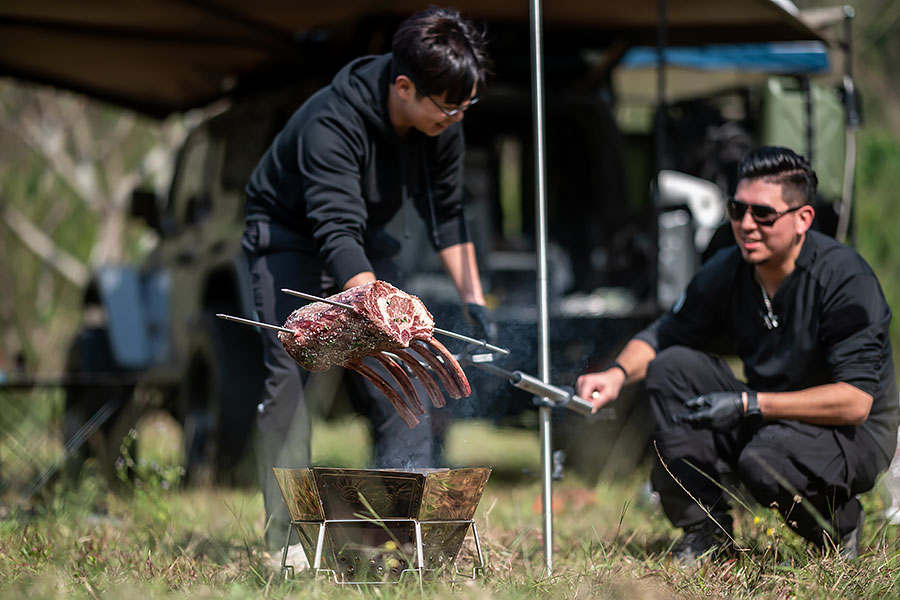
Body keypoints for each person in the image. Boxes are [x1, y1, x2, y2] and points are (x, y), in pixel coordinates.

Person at [242, 7, 496, 551]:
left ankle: (406, 530)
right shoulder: (330, 123)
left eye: (466, 106)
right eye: (449, 107)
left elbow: (448, 213)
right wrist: (375, 311)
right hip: (290, 237)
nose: (457, 117)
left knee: (404, 364)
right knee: (290, 379)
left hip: (366, 237)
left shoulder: (442, 121)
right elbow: (335, 229)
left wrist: (475, 300)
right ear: (404, 87)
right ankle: (289, 538)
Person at [577, 146, 898, 563]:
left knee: (764, 459)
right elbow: (663, 334)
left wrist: (749, 404)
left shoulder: (845, 280)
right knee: (671, 368)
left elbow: (855, 402)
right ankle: (706, 532)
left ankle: (838, 527)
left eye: (763, 214)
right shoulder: (728, 269)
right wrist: (616, 375)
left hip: (850, 433)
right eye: (737, 209)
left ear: (803, 219)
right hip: (771, 417)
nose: (746, 224)